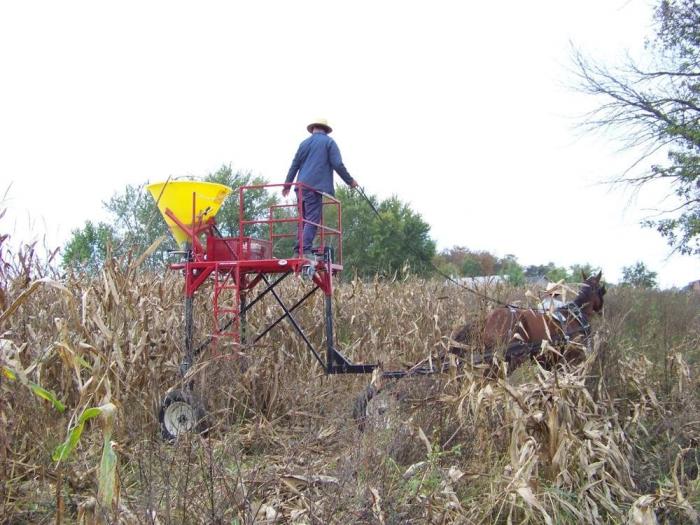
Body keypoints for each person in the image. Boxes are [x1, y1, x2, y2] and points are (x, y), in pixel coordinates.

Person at [283, 118, 358, 260]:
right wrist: (350, 181)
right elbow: (337, 164)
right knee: (312, 218)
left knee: (303, 220)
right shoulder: (329, 142)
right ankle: (304, 251)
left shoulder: (304, 144)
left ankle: (297, 251)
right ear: (325, 129)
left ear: (313, 129)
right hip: (314, 188)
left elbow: (294, 165)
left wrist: (287, 186)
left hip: (300, 188)